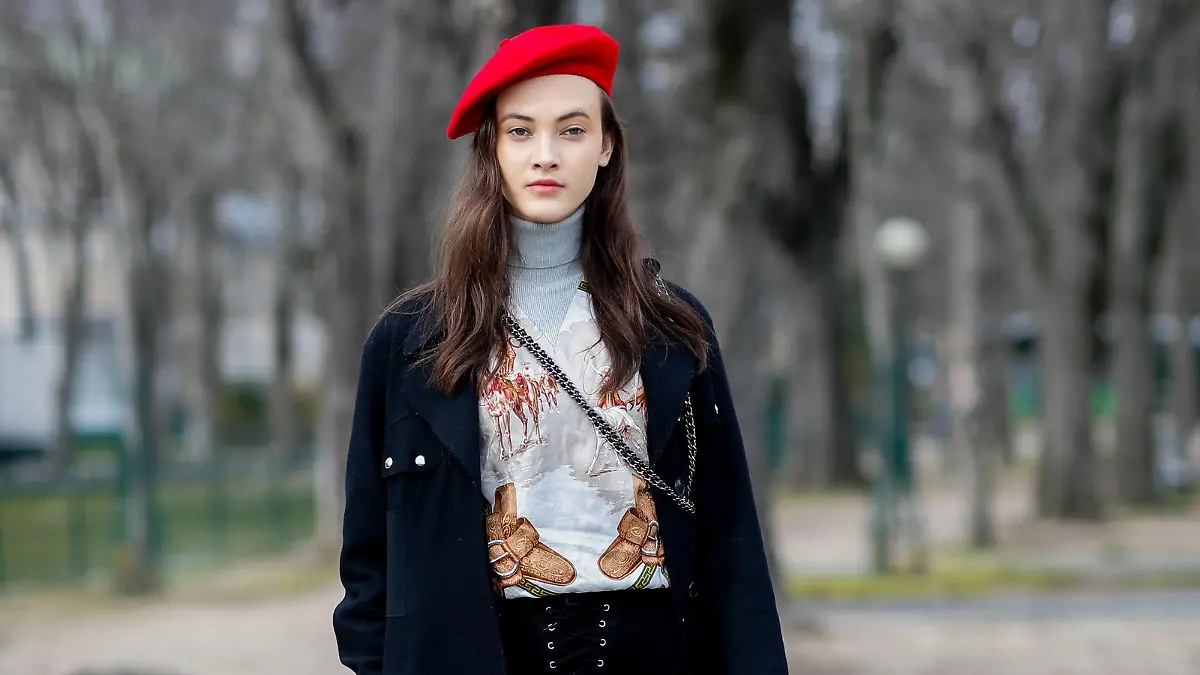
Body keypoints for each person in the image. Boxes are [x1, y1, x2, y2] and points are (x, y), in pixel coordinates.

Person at [332, 23, 788, 675]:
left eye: (572, 130)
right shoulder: (410, 338)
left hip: (654, 650)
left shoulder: (671, 325)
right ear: (492, 149)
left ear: (606, 147)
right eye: (521, 131)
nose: (545, 154)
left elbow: (732, 538)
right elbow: (366, 569)